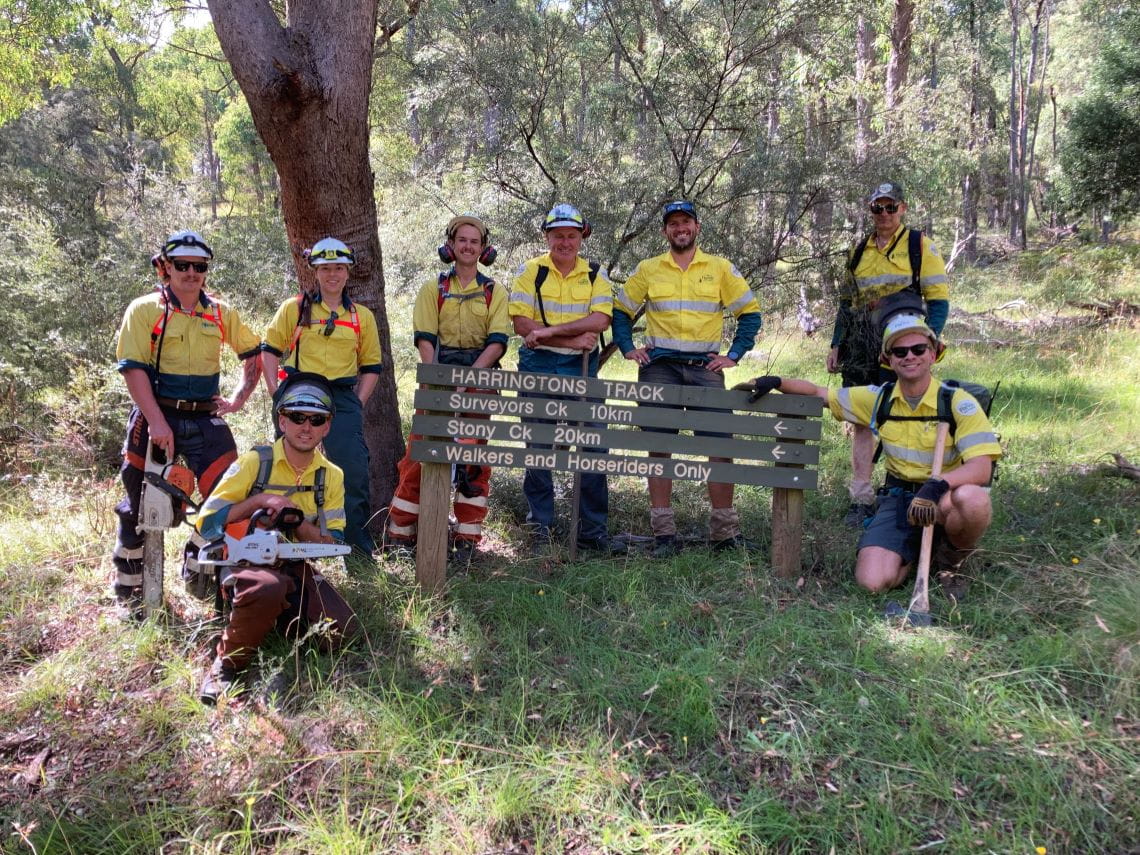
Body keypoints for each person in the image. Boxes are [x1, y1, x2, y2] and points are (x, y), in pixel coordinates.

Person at [744, 314, 1000, 595]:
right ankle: (914, 550)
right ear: (888, 359)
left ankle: (951, 562)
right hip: (900, 499)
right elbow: (820, 393)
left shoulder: (958, 403)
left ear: (934, 353)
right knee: (871, 582)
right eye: (899, 351)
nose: (909, 356)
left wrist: (937, 485)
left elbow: (981, 468)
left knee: (973, 500)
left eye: (918, 349)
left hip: (943, 496)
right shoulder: (879, 398)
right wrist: (777, 380)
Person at [111, 230, 262, 613]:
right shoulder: (145, 310)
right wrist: (157, 422)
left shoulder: (220, 312)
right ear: (167, 267)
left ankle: (200, 573)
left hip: (205, 417)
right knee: (140, 503)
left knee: (228, 496)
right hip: (156, 416)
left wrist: (239, 398)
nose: (191, 273)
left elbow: (253, 353)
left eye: (199, 266)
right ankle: (132, 599)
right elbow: (133, 370)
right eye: (183, 265)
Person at [612, 200, 762, 557]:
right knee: (659, 447)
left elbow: (750, 314)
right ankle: (664, 533)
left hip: (704, 369)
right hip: (659, 367)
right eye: (673, 223)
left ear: (696, 227)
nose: (680, 228)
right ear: (665, 231)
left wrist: (734, 354)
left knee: (719, 447)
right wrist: (627, 348)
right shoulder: (649, 269)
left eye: (686, 222)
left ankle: (724, 533)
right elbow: (620, 310)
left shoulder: (720, 268)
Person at [195, 372, 354, 704]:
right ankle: (225, 666)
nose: (305, 426)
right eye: (296, 416)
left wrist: (296, 523)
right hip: (241, 557)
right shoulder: (256, 462)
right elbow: (206, 523)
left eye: (316, 419)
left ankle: (266, 617)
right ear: (282, 420)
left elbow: (334, 544)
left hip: (291, 562)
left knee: (342, 629)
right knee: (266, 587)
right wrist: (260, 502)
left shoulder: (331, 476)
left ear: (327, 426)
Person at [385, 214, 511, 565]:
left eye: (475, 241)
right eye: (462, 240)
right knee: (420, 456)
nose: (468, 246)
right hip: (437, 377)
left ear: (483, 248)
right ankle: (401, 533)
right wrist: (440, 381)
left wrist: (469, 380)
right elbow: (424, 339)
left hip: (480, 378)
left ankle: (468, 539)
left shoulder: (494, 291)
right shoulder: (433, 289)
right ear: (451, 245)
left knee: (474, 461)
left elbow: (498, 342)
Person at [828, 181, 950, 527]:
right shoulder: (858, 250)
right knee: (861, 418)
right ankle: (861, 498)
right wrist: (837, 343)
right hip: (861, 344)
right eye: (877, 208)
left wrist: (929, 340)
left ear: (902, 208)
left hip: (902, 341)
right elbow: (847, 303)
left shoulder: (918, 245)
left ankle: (903, 487)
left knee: (900, 412)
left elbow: (938, 300)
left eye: (889, 207)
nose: (883, 214)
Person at [262, 237, 383, 556]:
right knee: (285, 468)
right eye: (326, 268)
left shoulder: (361, 317)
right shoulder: (296, 308)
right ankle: (284, 539)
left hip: (341, 396)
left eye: (339, 268)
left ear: (348, 272)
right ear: (315, 270)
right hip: (298, 391)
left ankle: (354, 546)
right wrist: (277, 395)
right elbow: (270, 350)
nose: (333, 275)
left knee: (352, 470)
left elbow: (371, 366)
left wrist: (357, 401)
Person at [509, 203, 613, 553]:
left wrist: (551, 332)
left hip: (581, 367)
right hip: (537, 365)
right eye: (558, 236)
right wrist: (570, 337)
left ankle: (591, 530)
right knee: (539, 447)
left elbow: (600, 321)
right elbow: (522, 325)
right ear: (547, 236)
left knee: (594, 446)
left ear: (581, 236)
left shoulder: (596, 274)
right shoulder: (530, 272)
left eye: (571, 235)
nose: (565, 242)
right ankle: (541, 524)